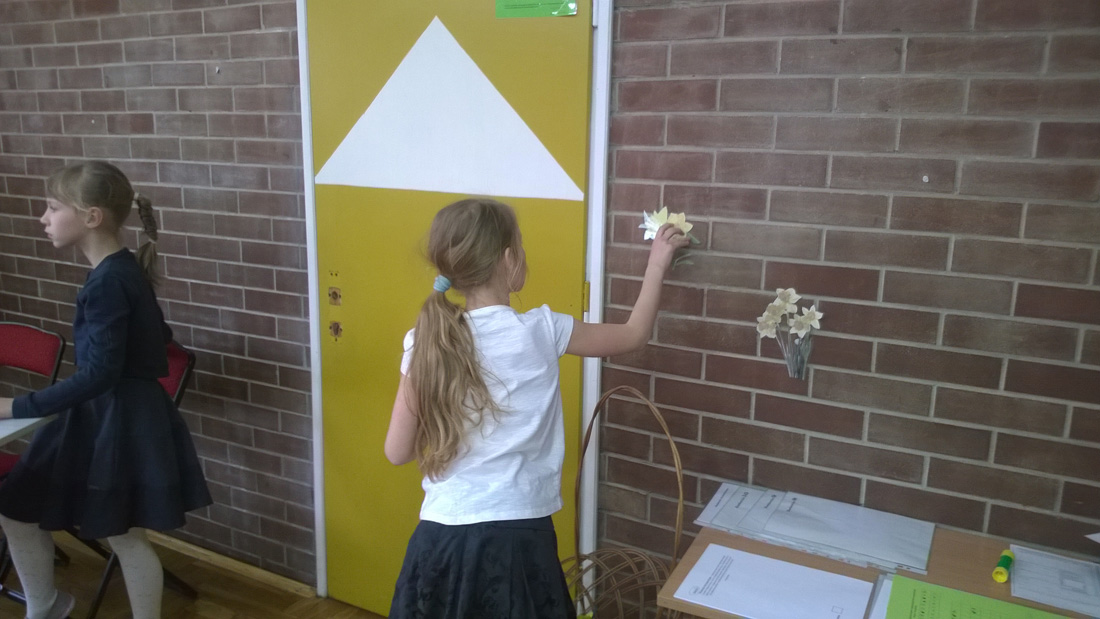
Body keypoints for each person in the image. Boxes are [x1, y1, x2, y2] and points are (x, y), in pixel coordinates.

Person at [385, 198, 689, 618]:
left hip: (439, 540)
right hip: (517, 543)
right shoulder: (542, 329)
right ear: (509, 259)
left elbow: (397, 452)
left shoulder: (425, 341)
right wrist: (657, 263)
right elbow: (633, 334)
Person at [0, 161, 212, 619]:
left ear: (91, 217)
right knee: (16, 506)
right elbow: (157, 336)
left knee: (125, 536)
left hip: (118, 421)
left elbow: (98, 374)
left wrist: (15, 406)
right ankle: (46, 606)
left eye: (53, 207)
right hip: (104, 415)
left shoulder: (110, 281)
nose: (43, 217)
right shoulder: (121, 270)